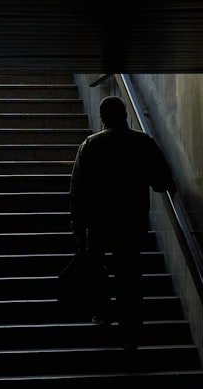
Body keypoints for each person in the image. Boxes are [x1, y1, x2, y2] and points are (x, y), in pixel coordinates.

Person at [69, 95, 177, 351]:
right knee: (130, 275)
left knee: (98, 267)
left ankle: (103, 312)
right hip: (132, 222)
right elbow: (163, 183)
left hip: (99, 222)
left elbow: (78, 191)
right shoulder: (143, 142)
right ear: (126, 114)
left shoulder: (89, 145)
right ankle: (131, 331)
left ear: (103, 117)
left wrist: (78, 227)